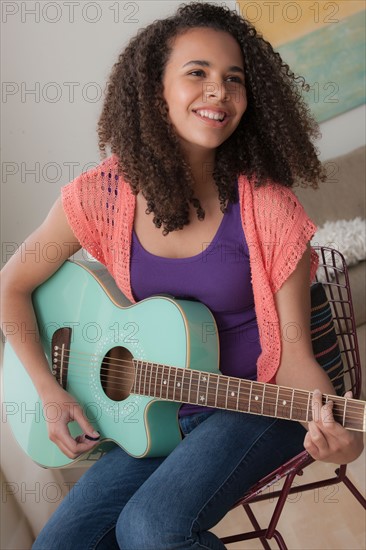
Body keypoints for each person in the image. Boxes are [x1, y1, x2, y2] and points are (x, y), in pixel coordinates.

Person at [1, 2, 363, 549]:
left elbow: (294, 358)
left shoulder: (269, 209)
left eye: (234, 79)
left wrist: (348, 440)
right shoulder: (103, 196)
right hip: (157, 413)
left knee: (150, 528)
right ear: (154, 91)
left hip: (258, 406)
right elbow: (13, 286)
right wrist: (48, 390)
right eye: (197, 73)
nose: (219, 90)